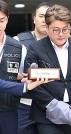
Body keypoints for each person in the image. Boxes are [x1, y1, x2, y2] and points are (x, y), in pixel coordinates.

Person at [24, 4, 71, 134]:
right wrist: (52, 104)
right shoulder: (35, 48)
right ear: (47, 28)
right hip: (46, 115)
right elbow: (31, 83)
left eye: (65, 29)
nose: (61, 34)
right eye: (55, 30)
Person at [14, 2, 52, 134]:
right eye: (41, 16)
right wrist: (20, 76)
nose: (44, 20)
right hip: (25, 105)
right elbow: (6, 72)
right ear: (34, 18)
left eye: (48, 16)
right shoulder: (18, 42)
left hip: (51, 106)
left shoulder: (63, 43)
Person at [0, 0, 28, 134]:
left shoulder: (18, 47)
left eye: (1, 20)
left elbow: (21, 74)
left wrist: (26, 79)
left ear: (7, 19)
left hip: (9, 108)